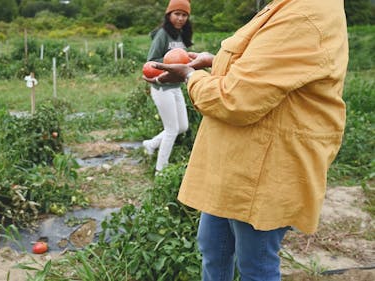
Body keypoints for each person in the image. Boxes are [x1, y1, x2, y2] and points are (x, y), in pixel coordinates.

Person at [144, 0, 349, 280]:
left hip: (264, 168)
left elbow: (236, 99)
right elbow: (268, 69)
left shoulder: (305, 15)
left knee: (255, 263)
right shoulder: (288, 6)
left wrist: (192, 77)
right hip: (236, 161)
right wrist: (217, 63)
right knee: (213, 248)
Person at [142, 0, 193, 173]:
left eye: (184, 15)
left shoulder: (181, 35)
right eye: (177, 14)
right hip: (162, 88)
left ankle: (151, 144)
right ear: (169, 15)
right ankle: (160, 171)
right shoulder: (163, 34)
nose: (180, 18)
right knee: (171, 129)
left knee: (183, 127)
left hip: (176, 86)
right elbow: (151, 61)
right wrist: (172, 62)